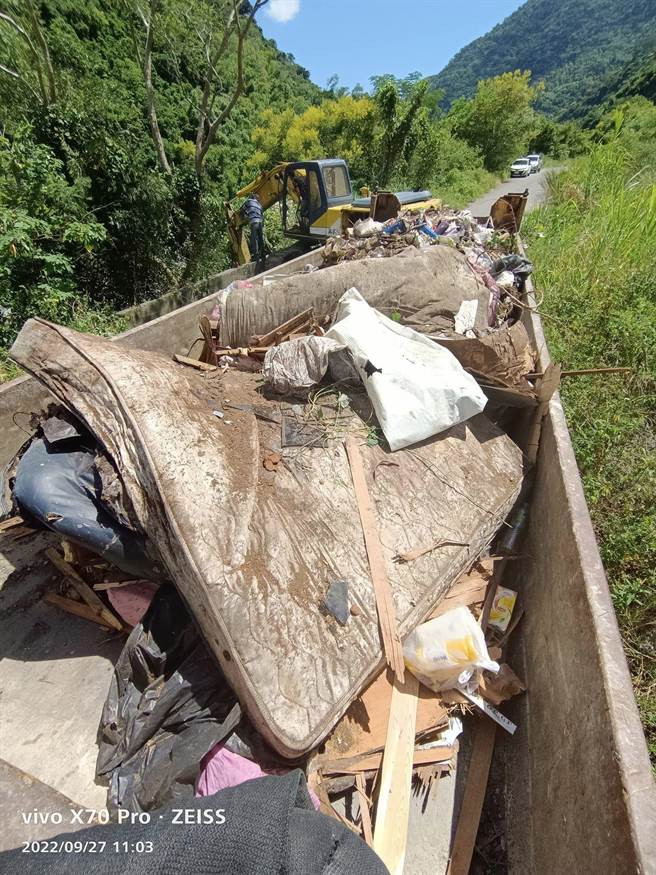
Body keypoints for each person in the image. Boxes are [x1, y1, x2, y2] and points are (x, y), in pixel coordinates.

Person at [241, 193, 265, 269]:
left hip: (253, 222)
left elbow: (242, 210)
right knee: (261, 239)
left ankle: (256, 258)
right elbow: (262, 215)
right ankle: (263, 255)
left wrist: (245, 216)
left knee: (254, 240)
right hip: (260, 223)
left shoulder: (248, 201)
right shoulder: (259, 204)